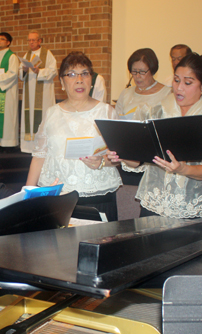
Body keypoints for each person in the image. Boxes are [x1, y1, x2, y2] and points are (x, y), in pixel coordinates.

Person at [109, 53, 202, 219]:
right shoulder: (155, 112)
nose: (179, 88)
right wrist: (122, 153)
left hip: (193, 207)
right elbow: (138, 162)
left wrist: (184, 169)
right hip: (155, 205)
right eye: (176, 80)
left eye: (188, 82)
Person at [26, 52, 122, 221]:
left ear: (91, 79)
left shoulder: (106, 112)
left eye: (84, 73)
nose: (79, 80)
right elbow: (39, 156)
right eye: (71, 74)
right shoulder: (51, 113)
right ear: (62, 82)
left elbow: (119, 157)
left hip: (98, 197)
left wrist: (101, 163)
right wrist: (27, 194)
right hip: (57, 198)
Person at [19, 30, 57, 153]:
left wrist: (39, 71)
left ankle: (44, 146)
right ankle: (29, 147)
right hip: (29, 93)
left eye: (33, 40)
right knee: (29, 116)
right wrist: (24, 69)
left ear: (39, 41)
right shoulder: (27, 55)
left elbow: (53, 71)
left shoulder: (47, 54)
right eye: (29, 40)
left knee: (43, 115)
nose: (31, 42)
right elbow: (20, 75)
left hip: (43, 92)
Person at [115, 48, 170, 121]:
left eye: (142, 72)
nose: (137, 76)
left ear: (152, 70)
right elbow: (116, 119)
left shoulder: (167, 93)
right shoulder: (125, 94)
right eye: (134, 71)